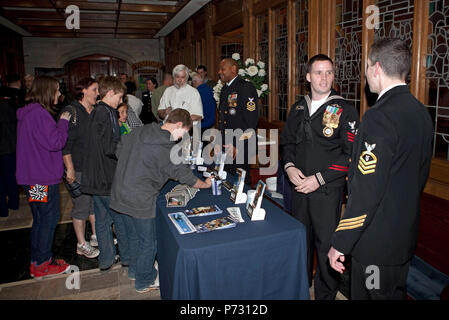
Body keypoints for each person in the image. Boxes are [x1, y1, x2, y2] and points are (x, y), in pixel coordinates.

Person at [328, 38, 434, 300]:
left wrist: (341, 242)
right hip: (402, 236)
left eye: (365, 67)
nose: (365, 74)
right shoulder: (421, 113)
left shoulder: (379, 117)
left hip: (375, 242)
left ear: (376, 68)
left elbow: (366, 191)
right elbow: (419, 177)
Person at [280, 54, 359, 300]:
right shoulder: (298, 107)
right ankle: (301, 288)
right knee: (300, 242)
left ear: (333, 76)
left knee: (326, 246)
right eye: (318, 72)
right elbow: (287, 143)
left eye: (328, 73)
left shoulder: (345, 110)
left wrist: (319, 179)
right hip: (299, 188)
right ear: (308, 77)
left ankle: (325, 294)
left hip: (326, 191)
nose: (324, 78)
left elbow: (350, 156)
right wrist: (290, 167)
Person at [110, 108, 212, 293]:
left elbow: (118, 149)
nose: (182, 137)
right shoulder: (168, 146)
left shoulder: (141, 129)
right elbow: (184, 176)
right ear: (179, 125)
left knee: (134, 237)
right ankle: (144, 280)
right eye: (184, 132)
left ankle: (135, 270)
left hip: (119, 192)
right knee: (148, 242)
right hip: (140, 199)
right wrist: (205, 184)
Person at [16, 75, 72, 278]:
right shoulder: (39, 115)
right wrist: (64, 122)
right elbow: (56, 142)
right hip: (43, 179)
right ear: (47, 91)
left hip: (33, 179)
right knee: (48, 219)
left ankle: (39, 260)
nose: (59, 94)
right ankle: (42, 264)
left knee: (40, 219)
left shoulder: (28, 113)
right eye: (56, 90)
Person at [81, 76, 129, 272]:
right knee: (120, 219)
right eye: (119, 97)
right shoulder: (108, 113)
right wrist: (128, 151)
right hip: (107, 178)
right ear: (110, 93)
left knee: (101, 221)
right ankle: (127, 258)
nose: (120, 101)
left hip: (95, 178)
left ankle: (106, 259)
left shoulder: (95, 112)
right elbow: (110, 147)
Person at [60, 78, 100, 259]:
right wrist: (70, 169)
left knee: (93, 204)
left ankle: (94, 236)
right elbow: (65, 144)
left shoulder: (92, 110)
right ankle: (81, 244)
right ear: (83, 91)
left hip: (92, 167)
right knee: (81, 206)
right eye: (94, 89)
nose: (97, 93)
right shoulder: (72, 111)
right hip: (79, 168)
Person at [217, 58, 259, 184]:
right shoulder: (225, 89)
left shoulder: (245, 87)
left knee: (240, 183)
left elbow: (251, 122)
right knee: (228, 179)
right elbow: (224, 119)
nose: (219, 72)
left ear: (233, 69)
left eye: (222, 69)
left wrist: (238, 145)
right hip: (228, 143)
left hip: (241, 145)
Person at [0, 95, 19, 217]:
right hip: (10, 149)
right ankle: (14, 203)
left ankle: (2, 209)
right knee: (44, 214)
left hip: (39, 176)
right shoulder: (7, 107)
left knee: (46, 215)